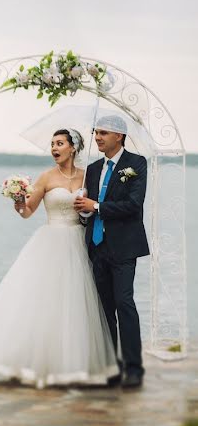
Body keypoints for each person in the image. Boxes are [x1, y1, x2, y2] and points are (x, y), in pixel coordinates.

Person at [0, 128, 119, 388]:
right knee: (47, 303)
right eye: (52, 144)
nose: (54, 148)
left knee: (78, 304)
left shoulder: (90, 176)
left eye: (59, 143)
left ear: (72, 148)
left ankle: (76, 364)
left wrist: (86, 210)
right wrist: (19, 201)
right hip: (51, 242)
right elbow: (28, 211)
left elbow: (96, 211)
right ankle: (40, 363)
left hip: (80, 243)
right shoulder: (46, 177)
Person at [73, 114, 149, 388]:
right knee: (104, 310)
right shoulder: (92, 169)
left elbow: (133, 205)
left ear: (119, 136)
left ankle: (133, 367)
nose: (98, 137)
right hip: (96, 246)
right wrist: (83, 211)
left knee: (124, 304)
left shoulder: (136, 164)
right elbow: (89, 209)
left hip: (124, 247)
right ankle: (111, 366)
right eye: (96, 133)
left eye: (103, 133)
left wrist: (96, 206)